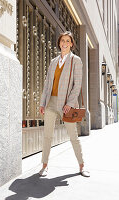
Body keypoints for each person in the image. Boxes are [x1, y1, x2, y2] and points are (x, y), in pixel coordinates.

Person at [39, 31, 90, 177]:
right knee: (47, 135)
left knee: (73, 135)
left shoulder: (76, 60)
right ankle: (44, 166)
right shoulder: (54, 61)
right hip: (51, 102)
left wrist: (70, 103)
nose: (65, 43)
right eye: (63, 41)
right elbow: (48, 83)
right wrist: (43, 103)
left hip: (66, 105)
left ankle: (82, 165)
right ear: (59, 43)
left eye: (68, 41)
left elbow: (77, 84)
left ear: (71, 44)